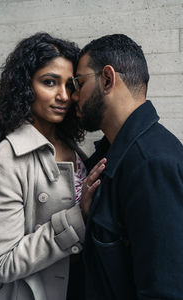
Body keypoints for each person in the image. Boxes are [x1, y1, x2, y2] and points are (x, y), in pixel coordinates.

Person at [0, 32, 105, 300]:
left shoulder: (71, 145)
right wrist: (77, 216)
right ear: (25, 87)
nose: (63, 95)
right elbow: (3, 264)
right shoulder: (6, 159)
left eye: (70, 85)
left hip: (82, 285)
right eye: (50, 82)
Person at [71, 34, 183, 299]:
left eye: (79, 82)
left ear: (107, 79)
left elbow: (164, 292)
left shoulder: (151, 163)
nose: (74, 95)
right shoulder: (114, 153)